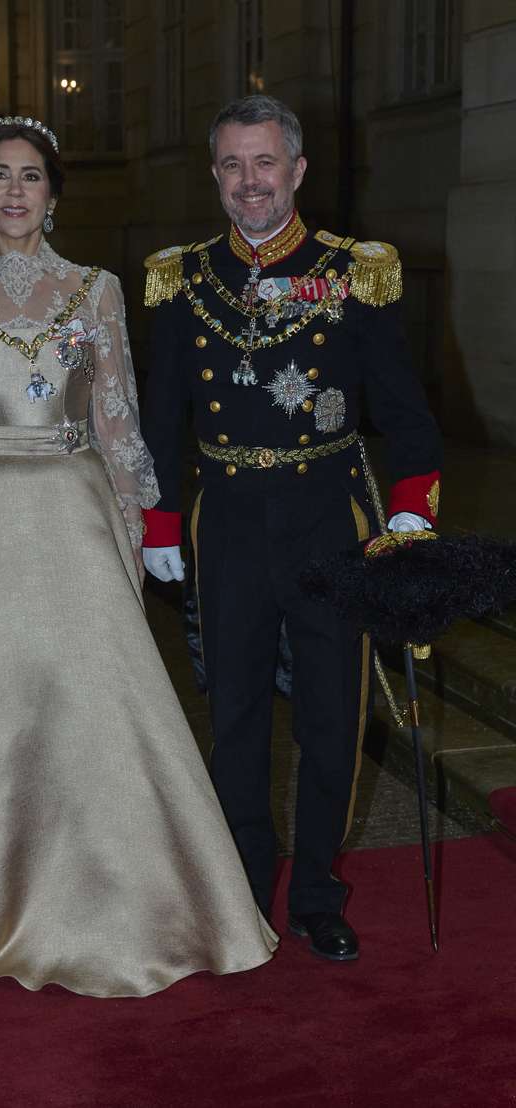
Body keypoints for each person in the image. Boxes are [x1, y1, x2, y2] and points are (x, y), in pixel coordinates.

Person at [0, 117, 276, 997]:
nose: (15, 191)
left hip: (77, 519)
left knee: (100, 715)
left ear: (53, 195)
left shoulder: (98, 291)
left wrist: (137, 526)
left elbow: (118, 419)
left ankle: (128, 910)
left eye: (30, 176)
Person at [141, 95, 442, 962]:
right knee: (234, 713)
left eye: (265, 162)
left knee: (331, 717)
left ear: (297, 170)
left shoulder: (355, 272)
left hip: (326, 519)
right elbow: (162, 418)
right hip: (228, 521)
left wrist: (410, 516)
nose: (250, 181)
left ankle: (315, 893)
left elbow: (407, 416)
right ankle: (241, 887)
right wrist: (159, 519)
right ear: (215, 174)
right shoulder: (183, 278)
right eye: (233, 164)